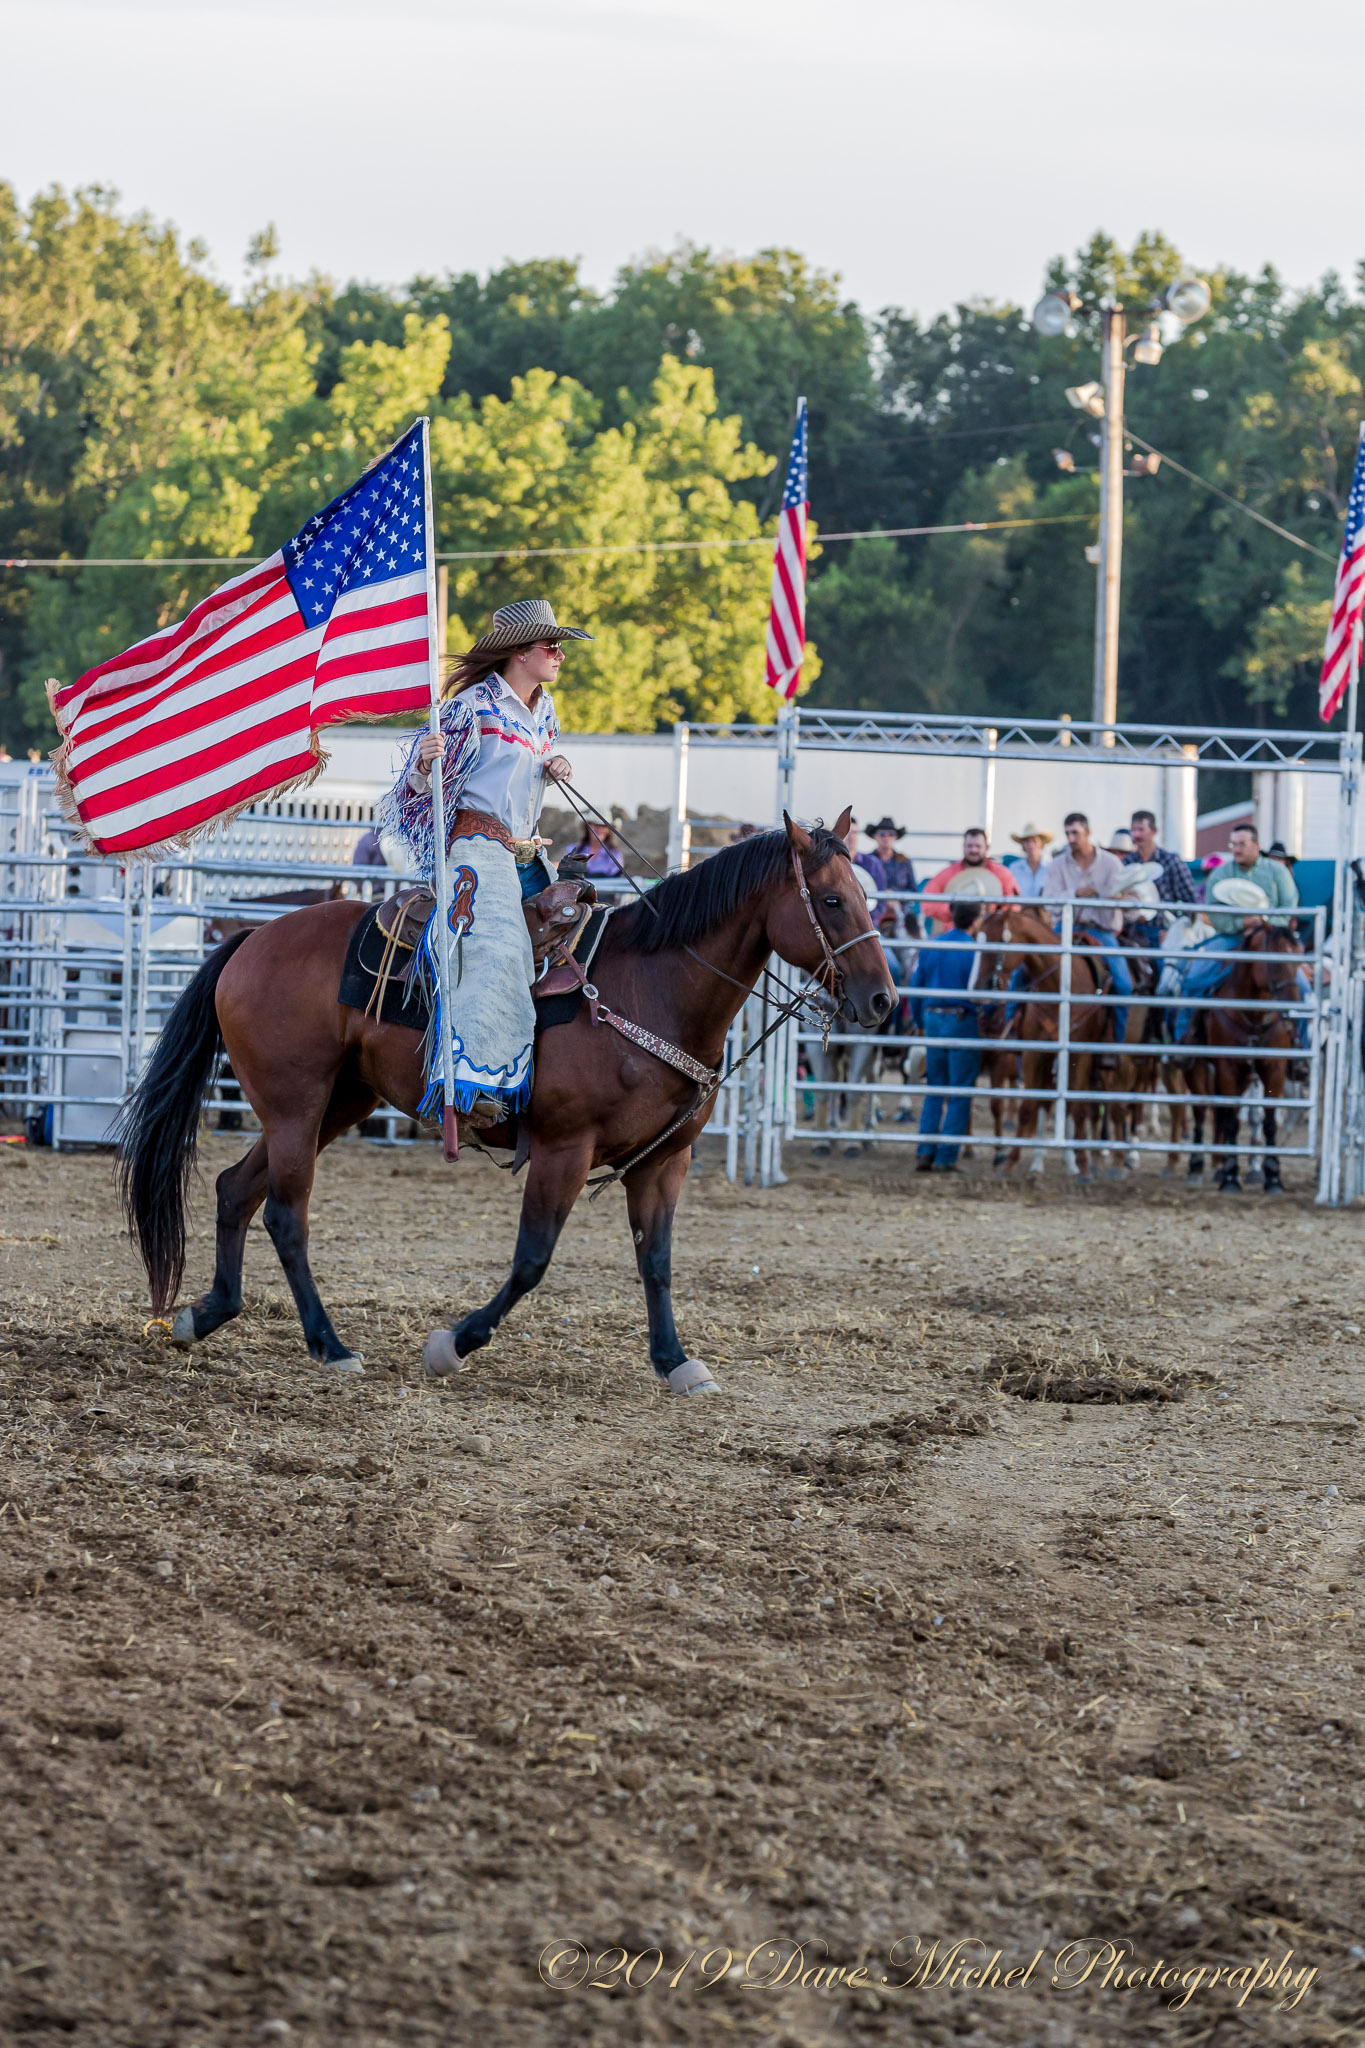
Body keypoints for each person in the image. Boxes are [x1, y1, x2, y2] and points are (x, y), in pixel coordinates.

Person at [377, 597, 588, 1121]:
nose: (560, 654)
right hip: (476, 848)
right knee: (495, 948)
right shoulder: (471, 708)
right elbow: (414, 798)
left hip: (527, 850)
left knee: (584, 935)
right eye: (551, 646)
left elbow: (526, 774)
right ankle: (470, 1083)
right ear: (520, 652)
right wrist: (422, 768)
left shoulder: (546, 713)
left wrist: (555, 764)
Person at [1039, 811, 1132, 1044]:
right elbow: (1049, 901)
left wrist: (1116, 898)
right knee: (1025, 972)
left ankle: (1116, 1045)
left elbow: (1128, 899)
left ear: (1088, 832)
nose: (1071, 838)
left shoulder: (1111, 863)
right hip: (1066, 929)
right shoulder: (1058, 864)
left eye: (1075, 833)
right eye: (1068, 833)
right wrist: (1076, 894)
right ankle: (1015, 1032)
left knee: (1123, 985)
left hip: (1101, 930)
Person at [910, 897, 983, 1172]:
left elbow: (916, 988)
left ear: (952, 915)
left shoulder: (933, 946)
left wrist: (919, 1021)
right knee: (960, 1090)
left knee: (935, 1088)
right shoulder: (976, 950)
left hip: (932, 1019)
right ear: (976, 920)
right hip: (961, 1020)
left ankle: (925, 1150)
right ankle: (946, 1156)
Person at [1207, 823, 1299, 932]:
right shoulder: (1220, 874)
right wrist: (1241, 923)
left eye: (1242, 844)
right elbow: (1214, 912)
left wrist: (1264, 921)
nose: (1236, 850)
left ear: (1256, 846)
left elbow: (1289, 909)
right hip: (1231, 936)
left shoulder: (1278, 870)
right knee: (1214, 944)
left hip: (1271, 935)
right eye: (1233, 844)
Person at [922, 828, 1019, 929]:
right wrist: (952, 910)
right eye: (969, 846)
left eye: (978, 846)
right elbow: (927, 902)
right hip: (957, 931)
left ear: (986, 847)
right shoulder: (948, 873)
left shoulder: (1002, 873)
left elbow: (1014, 905)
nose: (973, 850)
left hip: (990, 931)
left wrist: (995, 917)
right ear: (963, 847)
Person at [857, 817, 917, 895]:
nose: (886, 837)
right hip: (873, 901)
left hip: (899, 902)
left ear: (896, 837)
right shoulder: (867, 861)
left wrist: (896, 895)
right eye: (882, 833)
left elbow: (913, 889)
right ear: (875, 836)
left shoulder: (904, 861)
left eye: (891, 834)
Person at [1005, 821, 1053, 899]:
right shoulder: (1014, 868)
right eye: (1027, 841)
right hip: (1020, 907)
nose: (1031, 845)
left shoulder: (1052, 867)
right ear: (1023, 845)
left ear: (1041, 843)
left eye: (1034, 841)